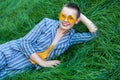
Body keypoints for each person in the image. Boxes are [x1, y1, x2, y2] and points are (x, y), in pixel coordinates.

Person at [0, 3, 97, 79]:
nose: (66, 20)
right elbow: (24, 42)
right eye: (63, 16)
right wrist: (42, 63)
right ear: (59, 16)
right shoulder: (46, 23)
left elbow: (94, 34)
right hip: (9, 52)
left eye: (71, 18)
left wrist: (82, 17)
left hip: (20, 66)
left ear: (76, 21)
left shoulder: (70, 38)